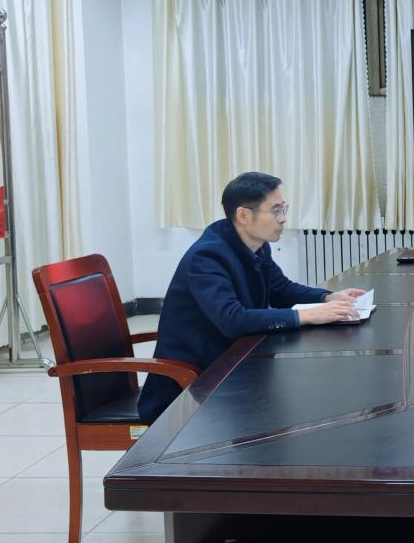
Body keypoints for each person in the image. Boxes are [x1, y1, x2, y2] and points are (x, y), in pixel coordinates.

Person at [137, 172, 365, 424]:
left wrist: (327, 297)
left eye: (284, 209)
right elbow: (232, 320)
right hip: (191, 387)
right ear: (244, 215)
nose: (284, 218)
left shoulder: (255, 244)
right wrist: (307, 315)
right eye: (276, 210)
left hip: (232, 365)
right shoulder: (207, 256)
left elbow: (281, 290)